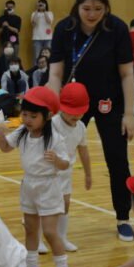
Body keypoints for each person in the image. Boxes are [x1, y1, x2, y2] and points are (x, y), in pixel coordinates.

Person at [47, 0, 134, 241]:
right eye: (87, 8)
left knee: (118, 159)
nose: (92, 14)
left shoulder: (117, 29)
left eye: (99, 9)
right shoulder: (65, 28)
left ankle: (123, 216)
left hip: (110, 101)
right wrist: (53, 109)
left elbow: (127, 74)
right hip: (72, 102)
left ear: (106, 7)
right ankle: (50, 216)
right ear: (78, 5)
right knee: (56, 157)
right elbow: (55, 73)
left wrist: (129, 114)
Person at [0, 86, 71, 267]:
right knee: (30, 228)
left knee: (49, 231)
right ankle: (31, 263)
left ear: (46, 116)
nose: (27, 119)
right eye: (24, 114)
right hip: (29, 184)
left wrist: (56, 160)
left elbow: (66, 164)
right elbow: (4, 148)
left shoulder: (54, 138)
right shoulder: (22, 132)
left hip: (48, 186)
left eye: (33, 116)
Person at [53, 83, 92, 253]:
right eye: (72, 111)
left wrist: (88, 174)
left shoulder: (81, 127)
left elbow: (83, 150)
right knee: (44, 205)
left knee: (65, 203)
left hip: (66, 172)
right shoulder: (52, 123)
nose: (76, 115)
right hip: (48, 172)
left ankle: (61, 237)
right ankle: (38, 237)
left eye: (80, 112)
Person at [30, 0, 54, 64]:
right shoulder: (34, 13)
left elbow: (49, 21)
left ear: (46, 5)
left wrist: (44, 10)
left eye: (42, 4)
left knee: (48, 55)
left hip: (48, 38)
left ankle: (48, 69)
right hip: (37, 38)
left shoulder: (50, 13)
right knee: (37, 56)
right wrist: (37, 11)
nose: (41, 5)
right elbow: (33, 23)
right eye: (39, 4)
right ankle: (36, 71)